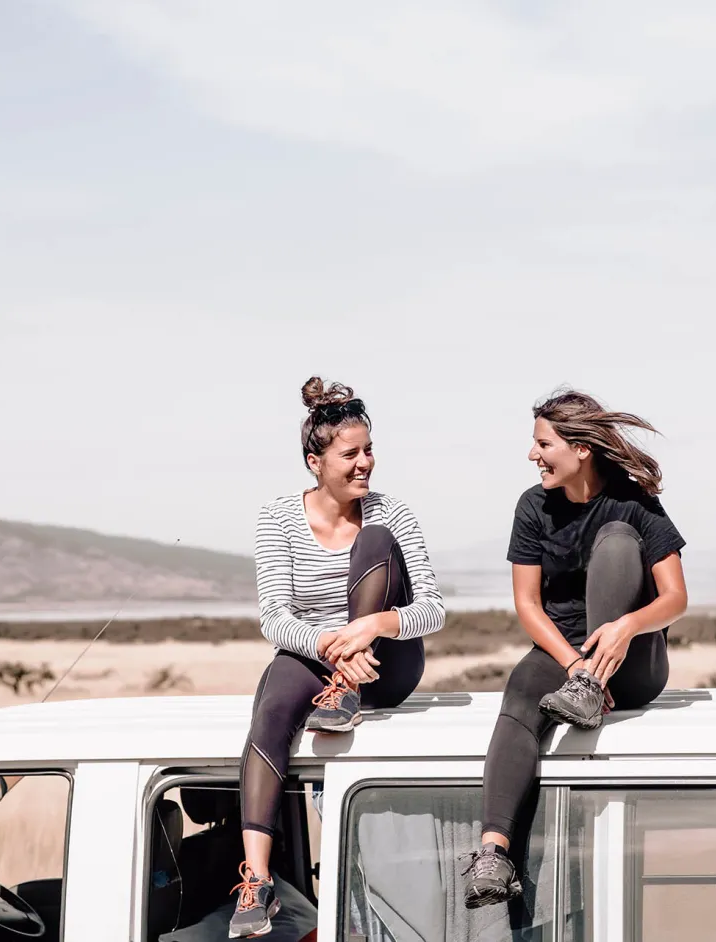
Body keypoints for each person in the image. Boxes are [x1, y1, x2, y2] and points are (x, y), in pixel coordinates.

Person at [230, 376, 446, 938]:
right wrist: (334, 647)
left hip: (385, 663)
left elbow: (433, 608)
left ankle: (345, 692)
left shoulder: (391, 512)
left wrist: (371, 628)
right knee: (273, 704)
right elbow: (275, 617)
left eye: (369, 450)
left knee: (374, 540)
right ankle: (258, 881)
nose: (365, 463)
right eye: (351, 454)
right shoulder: (278, 517)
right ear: (315, 462)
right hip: (323, 659)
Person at [462, 388, 688, 909]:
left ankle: (592, 686)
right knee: (519, 693)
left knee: (617, 538)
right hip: (567, 658)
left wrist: (627, 626)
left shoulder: (634, 501)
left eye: (543, 444)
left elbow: (676, 598)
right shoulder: (533, 506)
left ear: (580, 448)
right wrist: (573, 664)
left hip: (632, 661)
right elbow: (527, 605)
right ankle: (494, 853)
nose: (532, 454)